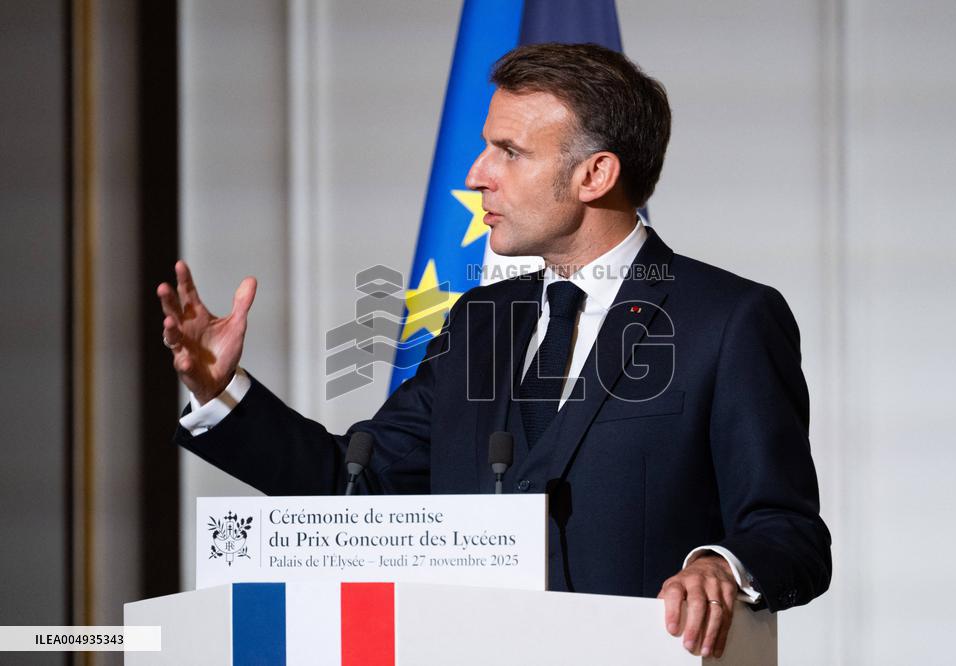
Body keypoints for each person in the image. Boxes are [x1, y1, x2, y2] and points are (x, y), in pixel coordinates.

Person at [158, 43, 831, 658]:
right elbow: (355, 484)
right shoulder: (478, 322)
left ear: (594, 174)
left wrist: (719, 566)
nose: (478, 173)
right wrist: (222, 392)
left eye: (509, 151)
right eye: (486, 147)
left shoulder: (728, 318)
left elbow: (791, 535)